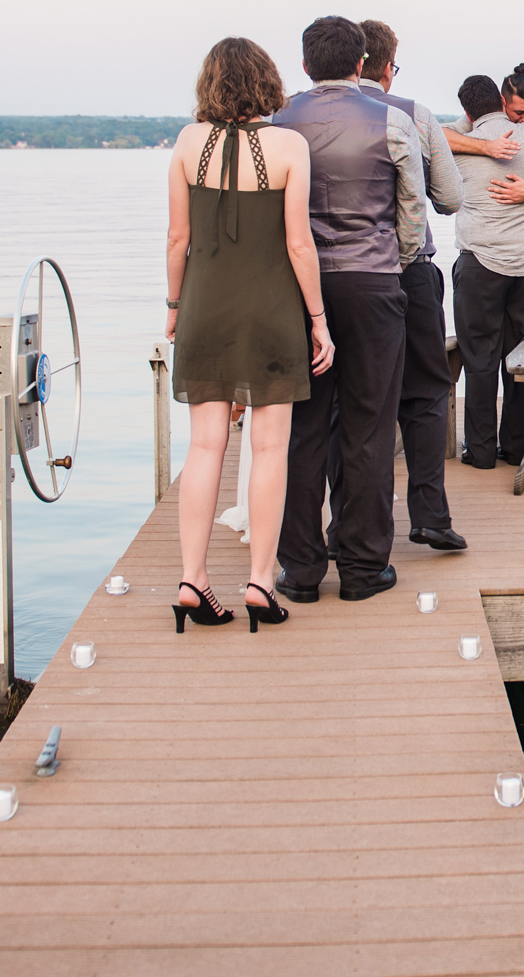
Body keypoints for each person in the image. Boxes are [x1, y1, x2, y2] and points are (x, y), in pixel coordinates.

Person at [164, 36, 333, 637]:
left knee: (204, 446)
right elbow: (297, 244)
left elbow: (177, 241)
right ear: (266, 81)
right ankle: (261, 582)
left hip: (206, 307)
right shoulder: (291, 145)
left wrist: (175, 307)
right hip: (272, 311)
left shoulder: (187, 143)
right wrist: (318, 320)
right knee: (270, 448)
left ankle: (192, 580)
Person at [270, 16, 426, 603]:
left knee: (301, 429)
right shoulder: (393, 120)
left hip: (295, 289)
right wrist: (399, 261)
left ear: (306, 65)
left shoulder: (279, 121)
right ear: (362, 64)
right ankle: (363, 568)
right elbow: (412, 210)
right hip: (373, 282)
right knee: (369, 425)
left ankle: (301, 569)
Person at [354, 18, 468, 551]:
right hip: (411, 272)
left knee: (346, 402)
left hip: (337, 278)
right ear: (384, 67)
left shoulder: (300, 115)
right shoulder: (413, 115)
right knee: (425, 394)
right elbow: (448, 197)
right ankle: (429, 515)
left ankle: (345, 526)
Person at [448, 64, 524, 468]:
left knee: (478, 357)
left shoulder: (458, 145)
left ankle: (480, 452)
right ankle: (516, 446)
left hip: (480, 262)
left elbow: (427, 136)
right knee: (523, 353)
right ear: (505, 102)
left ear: (467, 112)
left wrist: (477, 143)